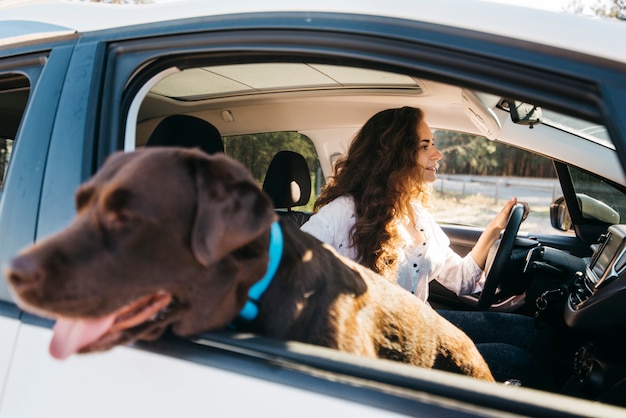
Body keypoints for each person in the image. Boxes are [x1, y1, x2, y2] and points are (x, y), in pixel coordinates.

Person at [301, 106, 555, 389]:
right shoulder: (341, 213)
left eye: (433, 144)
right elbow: (294, 268)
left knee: (531, 332)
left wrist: (494, 228)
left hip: (422, 323)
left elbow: (462, 278)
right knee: (515, 360)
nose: (438, 153)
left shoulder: (417, 215)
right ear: (394, 155)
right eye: (426, 146)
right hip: (383, 347)